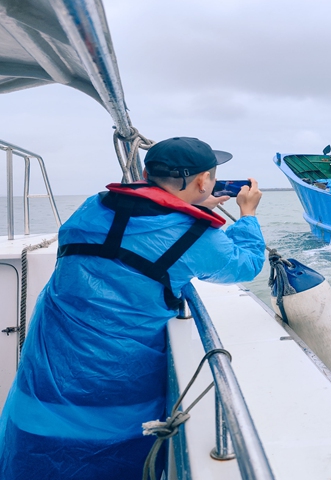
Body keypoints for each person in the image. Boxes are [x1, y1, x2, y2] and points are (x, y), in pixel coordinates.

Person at [0, 137, 266, 479]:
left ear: (144, 172)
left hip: (47, 380)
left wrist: (194, 205)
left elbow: (134, 231)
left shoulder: (92, 207)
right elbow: (244, 265)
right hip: (118, 390)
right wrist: (247, 214)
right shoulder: (197, 234)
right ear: (203, 182)